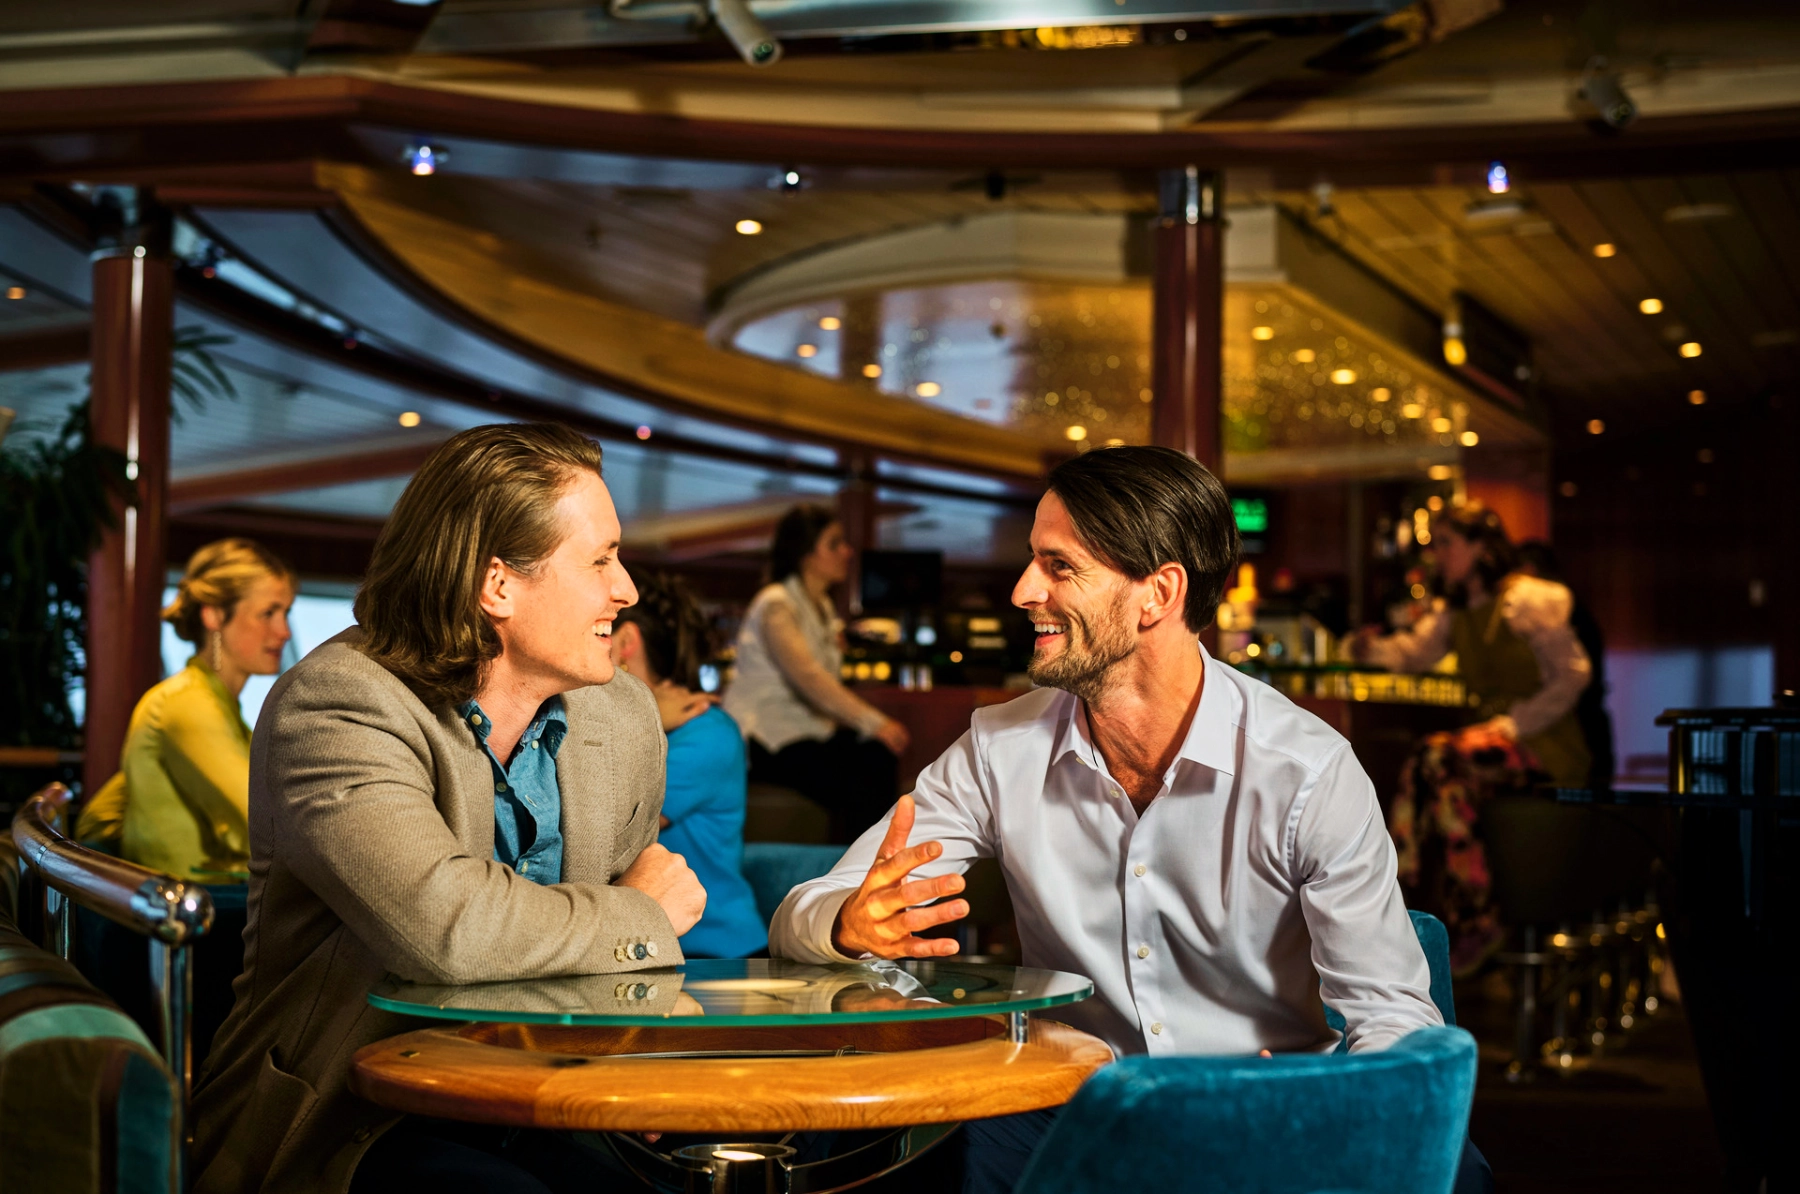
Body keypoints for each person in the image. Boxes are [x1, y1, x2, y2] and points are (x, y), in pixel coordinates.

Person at [769, 445, 1490, 1194]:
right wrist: (848, 923)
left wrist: (1320, 1099)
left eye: (1059, 566)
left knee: (1447, 1169)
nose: (1021, 590)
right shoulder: (997, 748)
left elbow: (1396, 1017)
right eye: (1030, 560)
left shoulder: (1306, 771)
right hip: (1068, 1108)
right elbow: (801, 915)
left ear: (1158, 594)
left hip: (1268, 1104)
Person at [192, 424, 707, 1194]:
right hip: (356, 1115)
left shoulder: (623, 715)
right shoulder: (336, 705)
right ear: (497, 585)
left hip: (549, 1092)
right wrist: (643, 916)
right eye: (599, 560)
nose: (626, 589)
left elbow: (604, 961)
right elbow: (444, 925)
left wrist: (642, 1034)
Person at [1350, 503, 1593, 972]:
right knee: (1447, 786)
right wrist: (1370, 647)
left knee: (1434, 758)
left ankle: (1403, 897)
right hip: (1491, 748)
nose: (1437, 555)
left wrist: (1513, 725)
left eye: (1446, 544)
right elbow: (1414, 654)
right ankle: (1432, 909)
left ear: (1481, 548)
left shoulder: (1526, 600)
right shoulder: (1457, 609)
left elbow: (1573, 676)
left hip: (1545, 743)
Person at [76, 538, 295, 879]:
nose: (283, 631)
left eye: (286, 612)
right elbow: (263, 823)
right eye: (269, 612)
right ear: (214, 615)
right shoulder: (186, 704)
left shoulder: (213, 702)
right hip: (192, 911)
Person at [723, 505, 909, 842]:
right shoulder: (776, 603)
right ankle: (854, 875)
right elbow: (809, 678)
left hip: (803, 732)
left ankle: (868, 864)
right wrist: (875, 722)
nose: (847, 551)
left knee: (876, 757)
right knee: (860, 774)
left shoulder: (820, 606)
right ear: (807, 553)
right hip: (767, 738)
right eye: (835, 543)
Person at [615, 571, 767, 958]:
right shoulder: (634, 727)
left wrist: (639, 716)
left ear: (626, 642)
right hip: (648, 948)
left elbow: (609, 826)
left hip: (716, 956)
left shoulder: (708, 732)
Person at [1516, 539, 1615, 791]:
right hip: (1585, 728)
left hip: (1573, 733)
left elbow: (1574, 678)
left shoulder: (1554, 613)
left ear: (1528, 571)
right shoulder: (1572, 609)